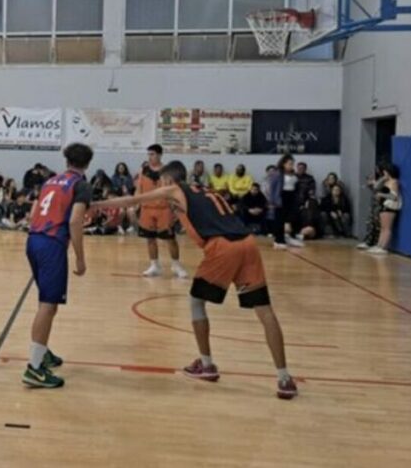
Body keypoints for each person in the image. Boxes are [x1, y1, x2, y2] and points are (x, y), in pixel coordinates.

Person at [92, 160, 298, 400]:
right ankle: (284, 378)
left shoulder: (174, 189)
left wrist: (94, 205)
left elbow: (132, 200)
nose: (160, 187)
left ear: (168, 180)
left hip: (222, 246)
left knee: (196, 302)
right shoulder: (205, 190)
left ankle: (207, 365)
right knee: (265, 311)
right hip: (248, 244)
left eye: (161, 182)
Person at [21, 143, 93, 389]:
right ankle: (34, 368)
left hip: (33, 240)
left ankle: (42, 352)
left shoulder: (50, 181)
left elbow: (33, 213)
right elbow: (75, 221)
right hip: (52, 244)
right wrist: (80, 258)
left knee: (46, 302)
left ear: (66, 160)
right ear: (87, 163)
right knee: (48, 305)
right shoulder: (81, 185)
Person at [137, 145, 188, 279]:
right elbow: (138, 188)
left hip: (164, 209)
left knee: (170, 238)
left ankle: (176, 265)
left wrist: (176, 208)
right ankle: (154, 265)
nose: (150, 157)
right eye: (149, 154)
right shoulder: (143, 170)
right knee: (150, 238)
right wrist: (136, 203)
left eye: (152, 154)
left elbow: (174, 190)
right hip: (147, 208)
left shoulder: (167, 171)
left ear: (160, 155)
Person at [365, 164, 402, 255]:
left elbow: (394, 196)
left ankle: (383, 247)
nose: (383, 173)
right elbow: (376, 187)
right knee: (382, 227)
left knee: (387, 228)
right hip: (383, 205)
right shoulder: (386, 181)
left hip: (390, 206)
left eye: (385, 171)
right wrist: (383, 178)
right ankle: (379, 245)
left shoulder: (394, 182)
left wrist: (381, 195)